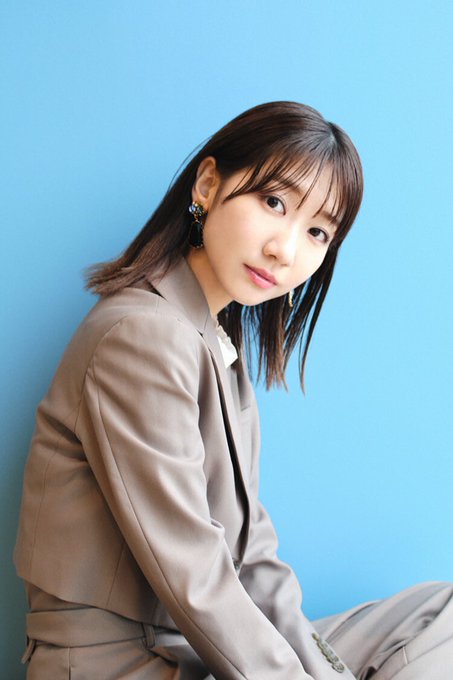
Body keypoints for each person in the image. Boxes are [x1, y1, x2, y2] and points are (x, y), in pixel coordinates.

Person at [14, 101, 453, 679]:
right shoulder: (141, 337)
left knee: (441, 613)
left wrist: (326, 675)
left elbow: (254, 562)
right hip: (124, 664)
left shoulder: (213, 343)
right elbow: (195, 574)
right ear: (207, 184)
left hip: (194, 651)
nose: (285, 250)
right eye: (274, 202)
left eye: (317, 231)